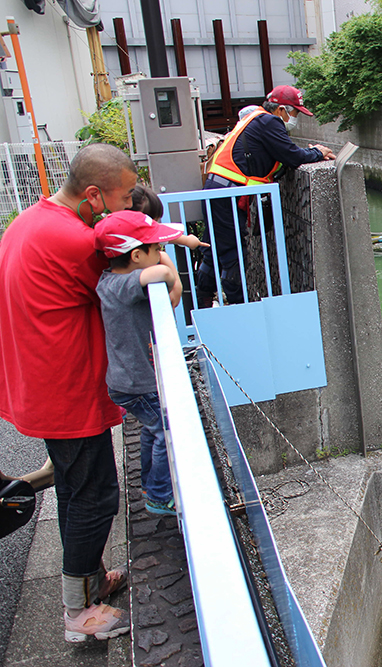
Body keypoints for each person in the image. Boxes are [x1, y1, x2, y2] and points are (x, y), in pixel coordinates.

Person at [0, 142, 137, 642]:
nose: (126, 208)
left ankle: (92, 579)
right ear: (94, 195)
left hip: (38, 377)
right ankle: (78, 616)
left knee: (77, 487)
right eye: (123, 198)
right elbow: (121, 289)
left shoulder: (32, 221)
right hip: (64, 388)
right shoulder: (74, 241)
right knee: (94, 496)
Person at [94, 209, 206, 517]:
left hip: (130, 381)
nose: (161, 254)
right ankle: (159, 495)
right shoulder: (122, 286)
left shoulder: (112, 279)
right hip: (138, 383)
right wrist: (171, 275)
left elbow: (158, 278)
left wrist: (164, 258)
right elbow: (160, 275)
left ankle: (149, 483)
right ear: (136, 256)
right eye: (156, 249)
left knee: (151, 428)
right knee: (166, 430)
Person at [196, 84, 335, 307]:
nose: (295, 117)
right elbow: (291, 155)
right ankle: (240, 310)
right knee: (234, 255)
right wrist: (318, 152)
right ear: (281, 109)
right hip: (226, 196)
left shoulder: (255, 120)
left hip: (218, 192)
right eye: (295, 112)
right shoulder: (269, 121)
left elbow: (274, 159)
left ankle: (201, 303)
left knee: (214, 250)